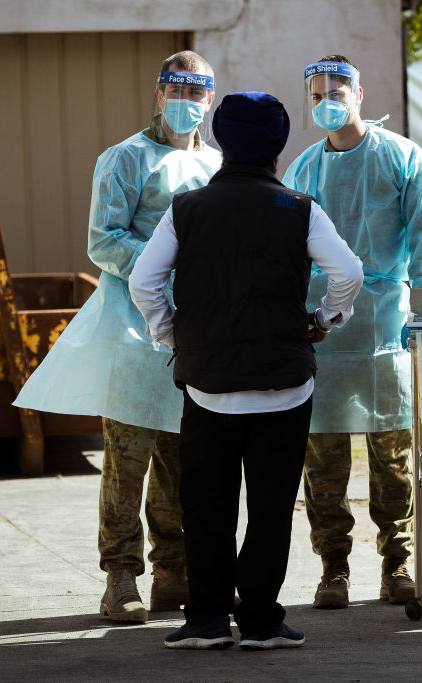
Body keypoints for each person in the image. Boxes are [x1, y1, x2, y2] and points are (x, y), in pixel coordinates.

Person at [129, 91, 363, 650]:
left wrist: (172, 332)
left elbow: (143, 282)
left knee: (206, 505)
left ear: (223, 142)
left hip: (208, 384)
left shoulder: (186, 210)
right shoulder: (299, 208)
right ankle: (260, 620)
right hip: (285, 383)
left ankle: (207, 620)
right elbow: (348, 271)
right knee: (272, 505)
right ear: (279, 147)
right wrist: (324, 320)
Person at [13, 50, 221, 623]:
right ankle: (121, 576)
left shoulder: (216, 166)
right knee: (128, 460)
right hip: (131, 330)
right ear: (158, 94)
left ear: (210, 99)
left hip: (190, 333)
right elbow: (103, 240)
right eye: (176, 91)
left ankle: (173, 573)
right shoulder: (126, 159)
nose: (186, 103)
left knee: (182, 460)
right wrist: (165, 267)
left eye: (197, 93)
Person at [282, 55, 422, 608]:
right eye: (317, 93)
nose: (327, 99)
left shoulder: (400, 157)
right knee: (322, 459)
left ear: (360, 92)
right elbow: (282, 245)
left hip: (382, 325)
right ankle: (333, 569)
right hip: (322, 326)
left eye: (338, 88)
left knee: (392, 456)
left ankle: (396, 563)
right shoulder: (303, 169)